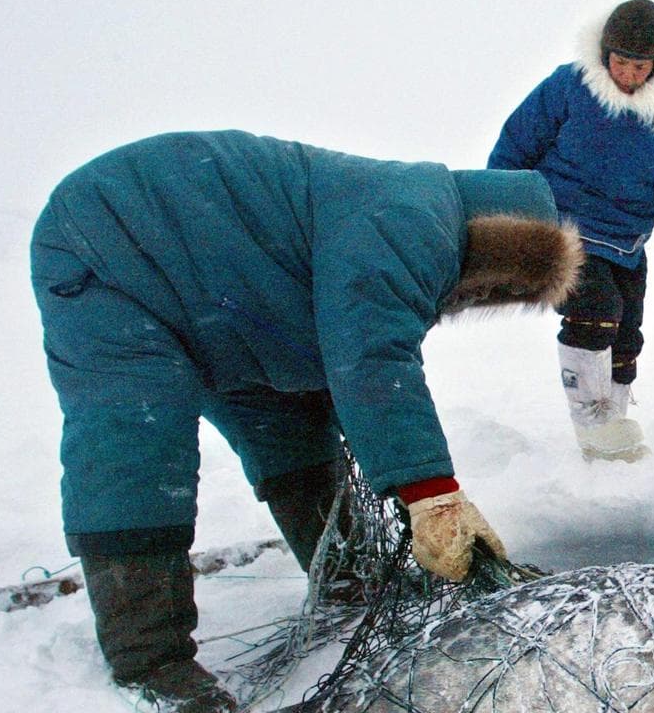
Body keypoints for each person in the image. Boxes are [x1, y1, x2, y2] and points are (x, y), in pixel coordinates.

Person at [30, 130, 583, 711]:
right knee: (134, 445)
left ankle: (348, 580)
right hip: (111, 251)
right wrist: (431, 492)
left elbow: (345, 357)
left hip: (229, 299)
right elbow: (370, 354)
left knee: (291, 429)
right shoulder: (417, 216)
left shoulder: (409, 212)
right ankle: (150, 659)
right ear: (505, 245)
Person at [487, 0, 654, 461]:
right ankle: (591, 425)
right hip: (562, 233)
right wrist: (501, 229)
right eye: (620, 62)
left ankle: (615, 426)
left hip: (627, 243)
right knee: (596, 311)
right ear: (605, 54)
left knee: (627, 334)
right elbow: (511, 152)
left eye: (640, 65)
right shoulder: (567, 87)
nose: (628, 74)